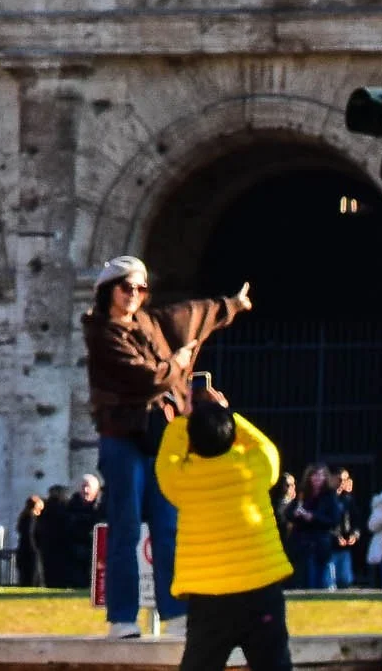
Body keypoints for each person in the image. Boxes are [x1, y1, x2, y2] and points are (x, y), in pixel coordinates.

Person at [82, 254, 250, 637]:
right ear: (109, 290)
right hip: (122, 439)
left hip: (161, 437)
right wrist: (177, 364)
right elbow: (145, 378)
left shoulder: (150, 321)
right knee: (124, 528)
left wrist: (230, 306)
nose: (135, 295)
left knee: (168, 526)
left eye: (141, 288)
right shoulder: (102, 333)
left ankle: (175, 613)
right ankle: (122, 619)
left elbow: (192, 314)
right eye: (127, 287)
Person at [153, 388, 296, 671]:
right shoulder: (256, 467)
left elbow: (167, 455)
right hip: (261, 590)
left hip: (208, 598)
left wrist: (183, 420)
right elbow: (264, 445)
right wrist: (226, 413)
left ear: (191, 442)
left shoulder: (181, 480)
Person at [285, 465, 343, 591]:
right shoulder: (302, 495)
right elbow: (288, 513)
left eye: (321, 475)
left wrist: (313, 517)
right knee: (303, 575)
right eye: (315, 475)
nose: (318, 478)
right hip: (301, 543)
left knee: (319, 576)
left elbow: (334, 520)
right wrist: (295, 514)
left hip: (320, 543)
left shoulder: (330, 497)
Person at [63, 475, 104, 591]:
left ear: (96, 490)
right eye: (83, 487)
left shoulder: (102, 507)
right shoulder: (70, 507)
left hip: (97, 550)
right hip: (75, 551)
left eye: (88, 487)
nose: (85, 490)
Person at [330, 469, 362, 588]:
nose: (342, 483)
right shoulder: (328, 498)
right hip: (330, 547)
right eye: (340, 480)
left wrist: (355, 534)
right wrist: (336, 536)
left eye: (345, 480)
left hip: (345, 547)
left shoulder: (348, 499)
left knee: (345, 579)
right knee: (330, 581)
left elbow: (356, 520)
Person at [12, 495, 46, 588]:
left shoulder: (23, 517)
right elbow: (30, 534)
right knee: (33, 577)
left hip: (22, 550)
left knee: (24, 577)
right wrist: (35, 549)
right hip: (30, 552)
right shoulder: (31, 518)